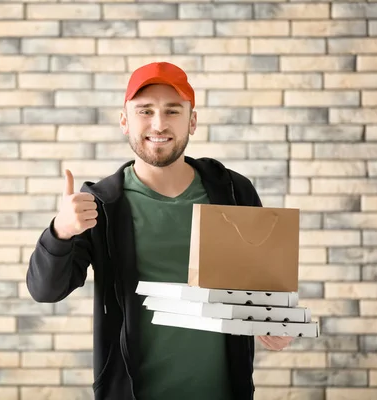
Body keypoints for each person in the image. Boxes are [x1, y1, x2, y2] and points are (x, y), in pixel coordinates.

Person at [26, 61, 293, 400]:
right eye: (145, 111)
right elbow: (45, 290)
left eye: (172, 111)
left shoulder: (233, 191)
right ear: (124, 121)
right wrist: (60, 231)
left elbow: (263, 281)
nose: (158, 123)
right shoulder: (101, 205)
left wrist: (277, 322)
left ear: (192, 121)